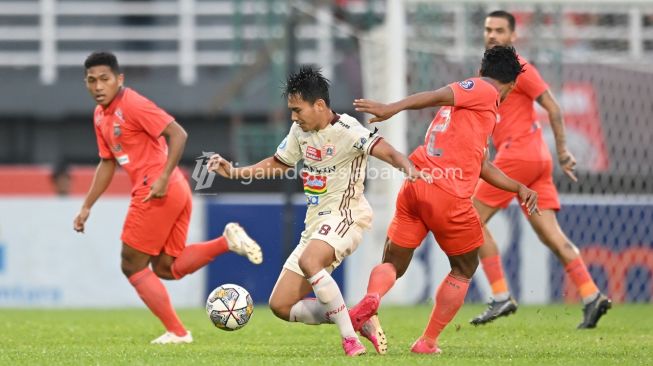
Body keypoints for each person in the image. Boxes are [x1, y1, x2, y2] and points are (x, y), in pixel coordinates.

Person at [208, 66, 429, 356]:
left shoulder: (348, 130)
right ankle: (356, 319)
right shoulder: (300, 131)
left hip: (347, 216)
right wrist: (235, 173)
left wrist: (407, 167)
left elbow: (385, 150)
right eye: (291, 110)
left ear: (320, 105)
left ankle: (350, 340)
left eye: (297, 110)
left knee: (311, 262)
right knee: (281, 305)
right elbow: (279, 162)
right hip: (315, 224)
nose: (293, 117)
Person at [347, 46, 539, 355]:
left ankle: (371, 300)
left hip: (415, 185)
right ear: (513, 85)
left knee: (393, 264)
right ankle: (427, 342)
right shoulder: (482, 90)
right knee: (464, 267)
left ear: (483, 69)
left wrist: (519, 187)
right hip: (447, 195)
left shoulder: (474, 110)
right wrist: (391, 108)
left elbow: (483, 166)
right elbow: (436, 94)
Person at [73, 51, 263, 344]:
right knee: (165, 268)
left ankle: (177, 332)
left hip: (157, 188)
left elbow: (178, 134)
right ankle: (226, 241)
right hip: (174, 188)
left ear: (119, 79)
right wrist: (87, 206)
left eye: (104, 79)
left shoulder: (132, 103)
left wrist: (161, 178)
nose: (98, 86)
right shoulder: (100, 115)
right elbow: (108, 162)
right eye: (91, 81)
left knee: (131, 265)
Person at [470, 10, 611, 329]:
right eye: (488, 29)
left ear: (513, 36)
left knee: (469, 217)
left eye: (500, 30)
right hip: (534, 157)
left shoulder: (520, 68)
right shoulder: (490, 69)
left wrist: (563, 150)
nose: (492, 35)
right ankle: (592, 296)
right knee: (550, 235)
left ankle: (500, 294)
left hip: (519, 154)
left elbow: (553, 105)